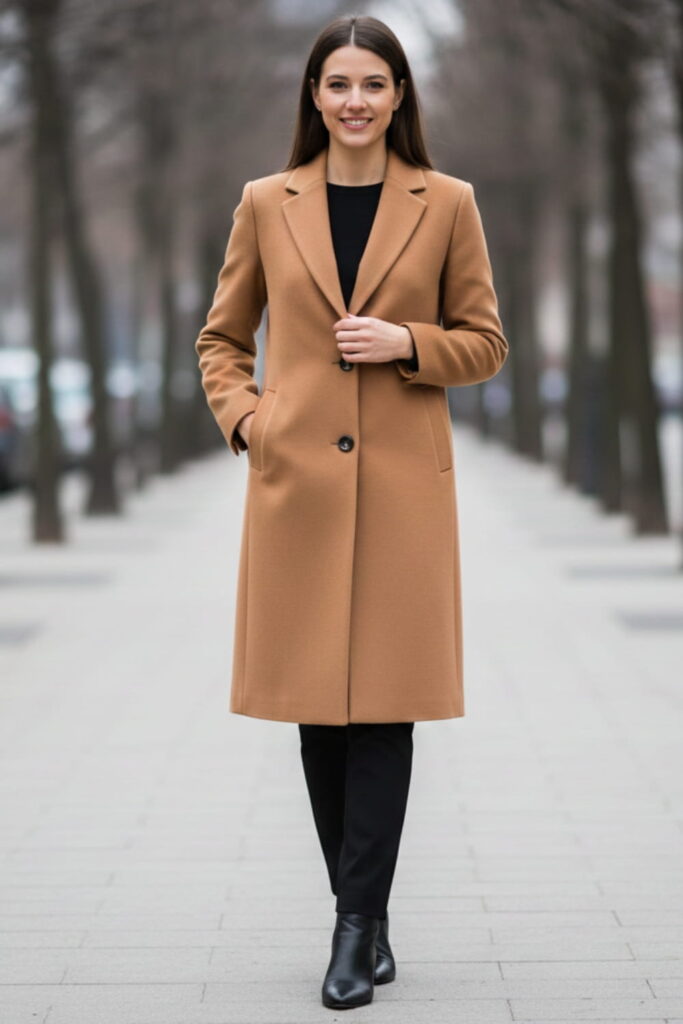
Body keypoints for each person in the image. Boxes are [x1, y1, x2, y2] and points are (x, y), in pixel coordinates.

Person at [194, 14, 508, 1011]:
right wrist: (250, 422)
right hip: (297, 496)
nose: (356, 100)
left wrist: (407, 342)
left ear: (400, 95)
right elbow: (219, 336)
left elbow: (485, 342)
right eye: (338, 83)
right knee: (317, 718)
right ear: (314, 97)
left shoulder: (447, 202)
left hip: (404, 498)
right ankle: (362, 911)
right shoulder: (264, 201)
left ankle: (352, 927)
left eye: (374, 82)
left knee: (381, 710)